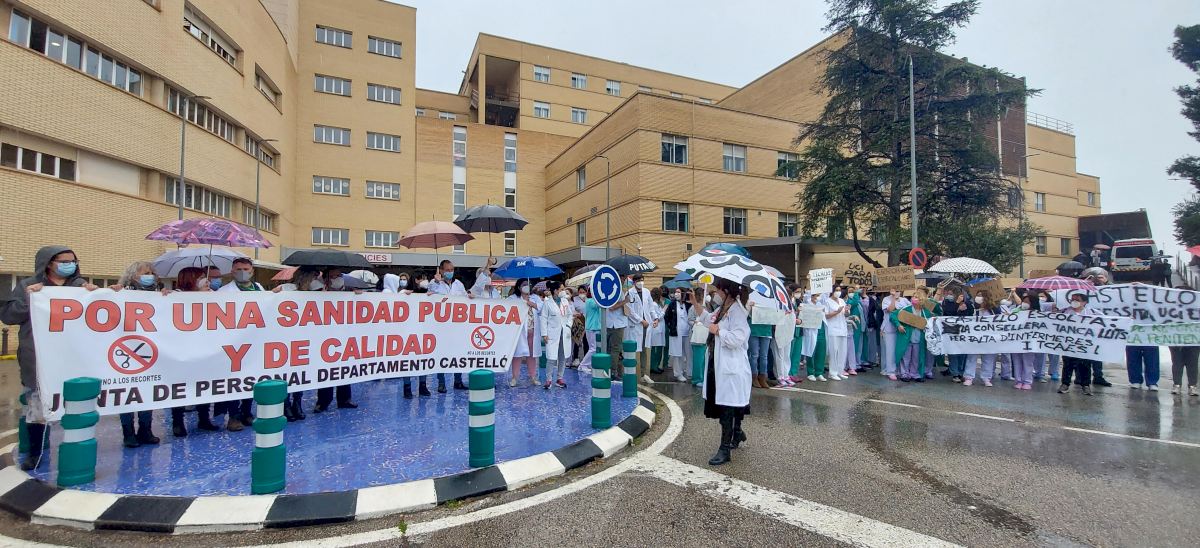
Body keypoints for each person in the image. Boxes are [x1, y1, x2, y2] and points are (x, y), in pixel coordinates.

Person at [1, 247, 98, 470]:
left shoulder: (80, 287)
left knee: (75, 404)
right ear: (49, 263)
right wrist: (29, 299)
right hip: (37, 358)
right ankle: (35, 452)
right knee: (36, 405)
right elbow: (8, 315)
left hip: (73, 357)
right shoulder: (28, 286)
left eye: (73, 261)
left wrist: (98, 294)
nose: (70, 265)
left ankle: (74, 449)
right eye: (64, 261)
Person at [110, 261, 165, 448]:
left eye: (151, 273)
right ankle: (128, 432)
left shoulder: (159, 294)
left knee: (147, 393)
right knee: (127, 395)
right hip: (127, 348)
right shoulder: (121, 293)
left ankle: (145, 430)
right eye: (145, 273)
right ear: (133, 275)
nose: (149, 276)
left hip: (150, 350)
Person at [700, 278, 752, 466]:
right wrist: (696, 304)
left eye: (718, 290)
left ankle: (725, 449)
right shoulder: (723, 308)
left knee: (727, 408)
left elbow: (738, 339)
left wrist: (718, 332)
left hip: (732, 366)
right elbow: (709, 320)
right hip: (718, 364)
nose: (716, 294)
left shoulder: (738, 311)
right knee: (727, 404)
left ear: (726, 291)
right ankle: (737, 433)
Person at [168, 267, 221, 436]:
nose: (206, 281)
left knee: (204, 384)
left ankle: (204, 418)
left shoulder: (212, 295)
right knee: (179, 387)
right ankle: (177, 422)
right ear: (189, 279)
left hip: (204, 347)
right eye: (200, 278)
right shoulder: (175, 295)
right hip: (181, 349)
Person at [214, 257, 262, 430]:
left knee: (251, 379)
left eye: (246, 269)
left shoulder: (259, 288)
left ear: (252, 271)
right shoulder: (223, 292)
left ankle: (247, 412)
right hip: (233, 342)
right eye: (239, 269)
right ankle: (233, 416)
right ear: (232, 271)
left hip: (255, 341)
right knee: (234, 381)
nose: (242, 272)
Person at [315, 267, 359, 412]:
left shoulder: (349, 291)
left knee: (345, 369)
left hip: (345, 337)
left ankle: (344, 399)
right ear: (327, 278)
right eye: (333, 276)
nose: (337, 278)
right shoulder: (318, 292)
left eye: (339, 275)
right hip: (325, 338)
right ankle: (323, 401)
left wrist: (358, 296)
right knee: (326, 371)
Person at [281, 267, 320, 421]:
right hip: (286, 339)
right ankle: (286, 405)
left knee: (301, 374)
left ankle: (297, 403)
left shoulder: (316, 291)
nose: (314, 280)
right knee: (286, 374)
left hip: (306, 339)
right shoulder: (286, 289)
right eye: (313, 277)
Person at [429, 260, 471, 390]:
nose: (450, 272)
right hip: (440, 326)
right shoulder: (434, 283)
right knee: (441, 354)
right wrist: (436, 281)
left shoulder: (458, 284)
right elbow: (429, 296)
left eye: (452, 270)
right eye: (447, 270)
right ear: (441, 270)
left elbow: (465, 299)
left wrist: (470, 297)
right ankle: (441, 383)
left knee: (458, 353)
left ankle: (458, 381)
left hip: (457, 326)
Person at [1058, 293, 1096, 395]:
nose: (1074, 301)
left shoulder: (1091, 312)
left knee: (1085, 365)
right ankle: (1065, 384)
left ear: (1084, 302)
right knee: (1068, 364)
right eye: (1072, 299)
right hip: (1068, 343)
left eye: (1077, 300)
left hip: (1084, 344)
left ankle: (1086, 385)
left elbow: (1106, 321)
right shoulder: (1065, 311)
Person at [892, 288, 932, 383]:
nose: (913, 299)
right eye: (913, 297)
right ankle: (904, 373)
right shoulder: (906, 309)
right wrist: (899, 325)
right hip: (906, 337)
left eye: (916, 297)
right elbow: (893, 315)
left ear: (921, 300)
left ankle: (914, 374)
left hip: (919, 339)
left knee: (916, 357)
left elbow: (931, 323)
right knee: (905, 357)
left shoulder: (926, 312)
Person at [962, 291, 1001, 387]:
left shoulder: (994, 310)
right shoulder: (973, 309)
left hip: (989, 338)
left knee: (988, 358)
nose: (977, 297)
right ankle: (969, 377)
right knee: (971, 357)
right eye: (977, 295)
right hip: (974, 338)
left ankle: (986, 378)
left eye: (980, 295)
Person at [509, 279, 541, 387]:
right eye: (523, 285)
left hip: (533, 331)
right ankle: (514, 378)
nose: (526, 286)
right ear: (519, 287)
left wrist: (531, 303)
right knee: (517, 354)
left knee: (532, 355)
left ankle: (533, 377)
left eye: (528, 284)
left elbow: (542, 308)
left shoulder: (535, 298)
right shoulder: (513, 298)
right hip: (519, 332)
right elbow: (506, 307)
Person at [541, 284, 574, 388]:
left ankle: (560, 378)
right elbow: (543, 318)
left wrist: (568, 325)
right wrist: (544, 334)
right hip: (552, 333)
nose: (563, 291)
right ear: (555, 290)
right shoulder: (547, 303)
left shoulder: (565, 301)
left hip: (564, 332)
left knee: (562, 356)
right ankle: (548, 380)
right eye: (561, 289)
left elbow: (570, 315)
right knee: (551, 357)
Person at [1169, 285, 1198, 396]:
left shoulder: (1196, 306)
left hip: (1193, 339)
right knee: (1177, 362)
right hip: (1175, 339)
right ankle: (1177, 385)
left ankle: (1192, 386)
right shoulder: (1170, 307)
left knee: (1192, 363)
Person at [941, 288, 975, 383]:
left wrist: (965, 306)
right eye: (949, 293)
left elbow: (971, 313)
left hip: (963, 331)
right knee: (953, 353)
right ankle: (955, 373)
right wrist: (957, 304)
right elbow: (948, 313)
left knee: (962, 353)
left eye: (951, 293)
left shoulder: (968, 303)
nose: (949, 295)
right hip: (951, 331)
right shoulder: (946, 302)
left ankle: (961, 372)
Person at [624, 274, 653, 384]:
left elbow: (651, 307)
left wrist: (655, 318)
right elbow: (629, 310)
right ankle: (631, 373)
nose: (641, 282)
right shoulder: (629, 293)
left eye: (642, 280)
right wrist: (641, 320)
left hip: (646, 324)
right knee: (634, 350)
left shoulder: (647, 292)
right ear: (634, 282)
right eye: (639, 281)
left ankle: (644, 374)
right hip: (635, 325)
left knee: (644, 349)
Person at [665, 287, 694, 383]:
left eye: (678, 292)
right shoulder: (672, 304)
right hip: (676, 333)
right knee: (678, 354)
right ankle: (678, 373)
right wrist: (672, 327)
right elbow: (667, 317)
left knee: (689, 353)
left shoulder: (688, 304)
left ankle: (689, 372)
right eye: (675, 292)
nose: (676, 294)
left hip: (687, 333)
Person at [879, 290, 907, 381]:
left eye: (898, 290)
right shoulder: (886, 299)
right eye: (895, 290)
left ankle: (899, 370)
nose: (896, 291)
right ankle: (890, 371)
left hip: (901, 328)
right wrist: (894, 298)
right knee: (889, 351)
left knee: (898, 350)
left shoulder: (904, 300)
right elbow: (890, 310)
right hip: (888, 328)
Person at [823, 288, 850, 381]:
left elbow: (846, 315)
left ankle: (840, 371)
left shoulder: (842, 301)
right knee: (834, 351)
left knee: (842, 351)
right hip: (833, 329)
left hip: (842, 328)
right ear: (832, 291)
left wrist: (846, 311)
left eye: (839, 290)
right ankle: (832, 373)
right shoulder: (827, 301)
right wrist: (837, 312)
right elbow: (826, 315)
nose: (838, 292)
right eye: (836, 290)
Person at [802, 292, 828, 382]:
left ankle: (819, 372)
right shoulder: (807, 303)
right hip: (811, 330)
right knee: (811, 351)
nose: (817, 297)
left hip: (821, 329)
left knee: (821, 351)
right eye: (815, 295)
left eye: (818, 295)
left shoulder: (821, 304)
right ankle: (810, 372)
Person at [579, 286, 600, 372]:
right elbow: (599, 305)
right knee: (593, 348)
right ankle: (582, 365)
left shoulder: (590, 301)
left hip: (595, 327)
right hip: (592, 327)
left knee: (594, 348)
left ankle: (589, 364)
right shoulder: (590, 301)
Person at [647, 288, 667, 375]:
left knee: (659, 349)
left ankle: (656, 366)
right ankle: (653, 366)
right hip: (656, 329)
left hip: (660, 329)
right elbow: (657, 317)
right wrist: (664, 310)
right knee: (656, 349)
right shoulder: (654, 305)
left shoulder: (657, 304)